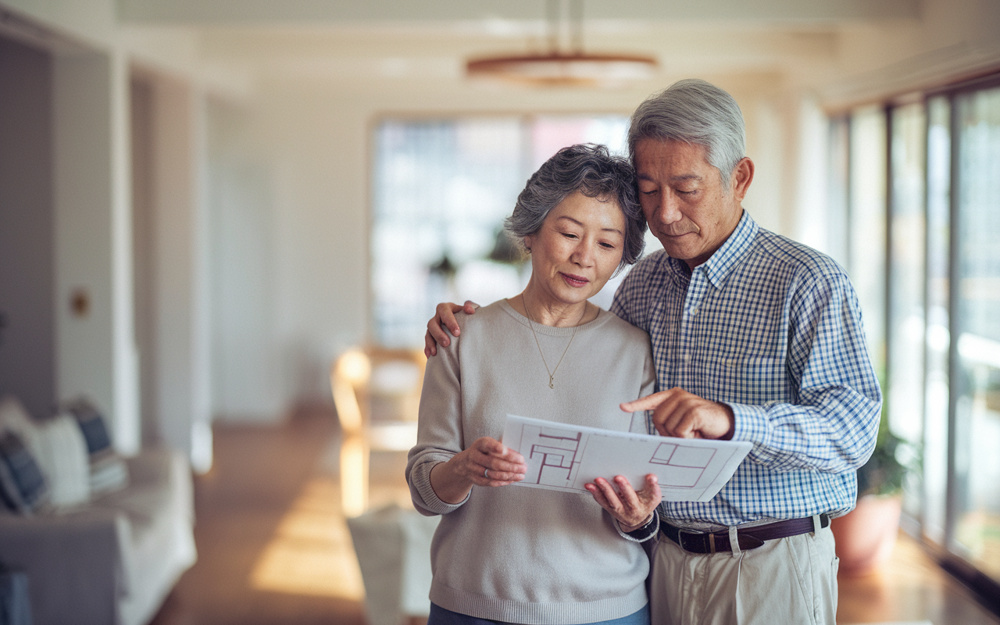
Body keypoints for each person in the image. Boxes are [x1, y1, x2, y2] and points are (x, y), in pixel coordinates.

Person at [424, 79, 883, 625]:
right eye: (648, 189)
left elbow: (853, 433)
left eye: (686, 187)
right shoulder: (641, 287)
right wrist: (469, 325)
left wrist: (735, 421)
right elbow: (569, 354)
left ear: (740, 178)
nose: (665, 213)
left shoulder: (806, 281)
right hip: (661, 562)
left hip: (768, 562)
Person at [406, 143, 664, 625]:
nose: (584, 257)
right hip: (473, 603)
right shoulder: (461, 336)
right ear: (530, 231)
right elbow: (424, 491)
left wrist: (639, 518)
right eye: (569, 233)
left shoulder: (636, 350)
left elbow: (644, 494)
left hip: (606, 609)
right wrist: (462, 469)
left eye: (607, 244)